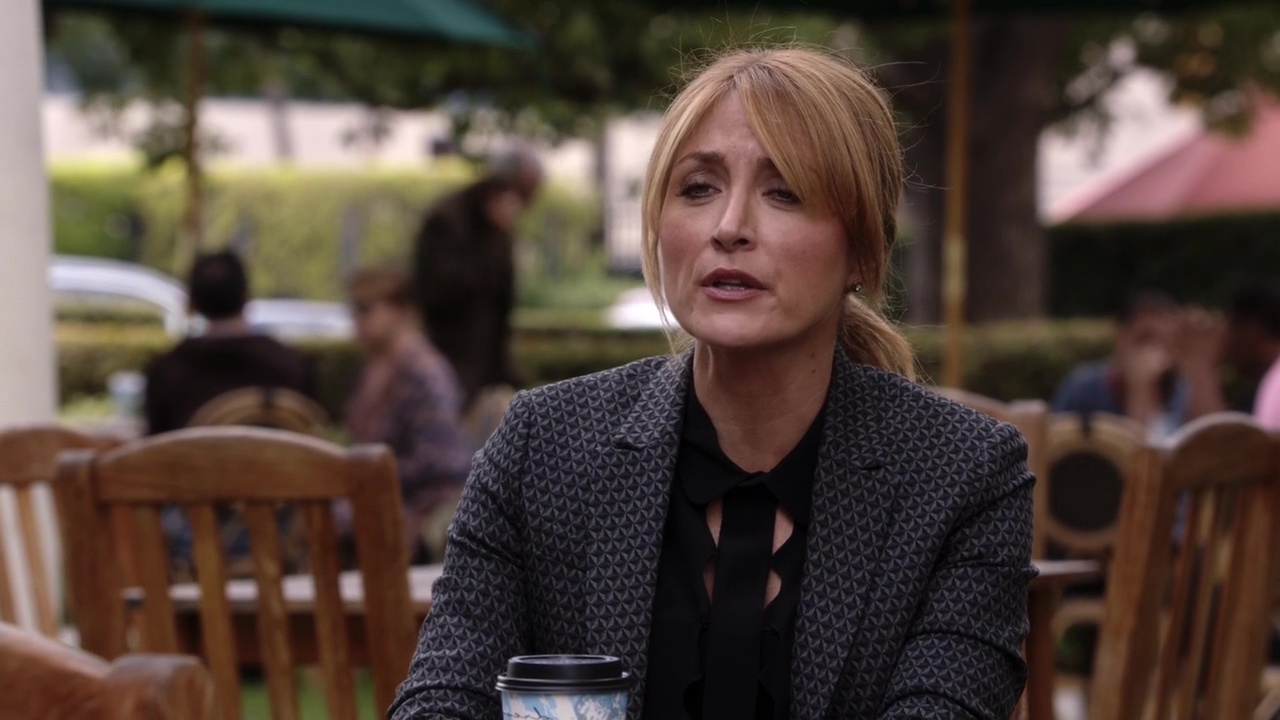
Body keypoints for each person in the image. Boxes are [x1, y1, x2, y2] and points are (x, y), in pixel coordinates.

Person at [390, 48, 1034, 719]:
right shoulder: (542, 447)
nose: (730, 228)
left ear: (863, 251)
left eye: (785, 192)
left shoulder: (964, 476)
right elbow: (443, 698)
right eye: (698, 188)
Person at [345, 268, 472, 560]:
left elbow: (442, 463)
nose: (357, 320)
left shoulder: (423, 373)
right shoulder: (376, 367)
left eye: (365, 309)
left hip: (421, 509)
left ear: (401, 310)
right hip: (376, 496)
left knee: (322, 517)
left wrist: (364, 474)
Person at [412, 146, 544, 409]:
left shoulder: (494, 223)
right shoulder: (451, 220)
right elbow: (442, 290)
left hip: (487, 358)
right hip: (453, 355)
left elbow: (502, 296)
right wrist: (492, 239)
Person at [144, 250, 313, 435]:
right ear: (246, 296)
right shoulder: (291, 366)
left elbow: (156, 443)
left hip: (196, 455)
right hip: (277, 455)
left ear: (191, 303)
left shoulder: (169, 371)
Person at [1052, 292, 1197, 437]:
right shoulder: (1084, 388)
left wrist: (1144, 390)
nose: (1154, 351)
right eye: (1145, 339)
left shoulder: (1180, 392)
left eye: (1165, 342)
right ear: (1120, 337)